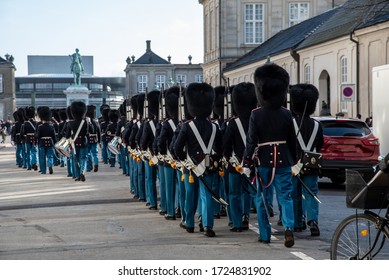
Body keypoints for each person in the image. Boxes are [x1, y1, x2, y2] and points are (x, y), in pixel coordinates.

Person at [243, 63, 298, 247]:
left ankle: (265, 234)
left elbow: (251, 141)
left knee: (262, 198)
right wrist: (296, 160)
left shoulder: (256, 114)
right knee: (286, 197)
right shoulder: (286, 114)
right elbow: (292, 140)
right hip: (283, 160)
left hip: (264, 160)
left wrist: (246, 162)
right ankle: (289, 228)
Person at [174, 82, 223, 238]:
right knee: (206, 196)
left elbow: (177, 148)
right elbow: (220, 148)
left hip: (190, 166)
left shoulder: (187, 126)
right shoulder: (215, 127)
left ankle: (189, 223)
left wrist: (184, 158)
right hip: (208, 165)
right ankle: (207, 225)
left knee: (190, 195)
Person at [289, 84, 324, 236]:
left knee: (295, 194)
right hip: (312, 163)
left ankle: (297, 222)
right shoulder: (317, 124)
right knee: (311, 192)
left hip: (294, 163)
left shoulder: (290, 123)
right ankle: (313, 221)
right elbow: (320, 144)